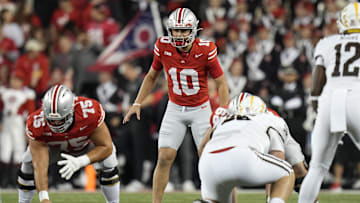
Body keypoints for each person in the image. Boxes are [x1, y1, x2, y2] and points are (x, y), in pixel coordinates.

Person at [123, 7, 229, 203]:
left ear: (193, 30)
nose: (179, 35)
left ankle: (226, 201)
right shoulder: (163, 46)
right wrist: (137, 102)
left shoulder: (205, 49)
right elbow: (152, 76)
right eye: (176, 30)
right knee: (163, 157)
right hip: (175, 108)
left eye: (184, 30)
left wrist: (222, 111)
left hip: (201, 109)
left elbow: (222, 83)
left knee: (213, 160)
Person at [298, 2, 360, 202]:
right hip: (356, 96)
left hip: (330, 98)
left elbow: (317, 82)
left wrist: (316, 102)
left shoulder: (327, 42)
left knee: (316, 167)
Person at [17, 85, 120, 203]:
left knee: (109, 160)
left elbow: (106, 147)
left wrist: (81, 161)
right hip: (57, 149)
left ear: (71, 110)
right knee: (28, 162)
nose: (55, 124)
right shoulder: (37, 123)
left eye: (59, 120)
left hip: (86, 146)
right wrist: (44, 198)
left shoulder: (89, 112)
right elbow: (40, 165)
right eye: (51, 120)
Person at [196, 93, 295, 203]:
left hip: (208, 161)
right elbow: (277, 155)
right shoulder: (269, 117)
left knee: (214, 201)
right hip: (243, 155)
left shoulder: (222, 119)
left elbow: (202, 147)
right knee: (287, 172)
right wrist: (270, 197)